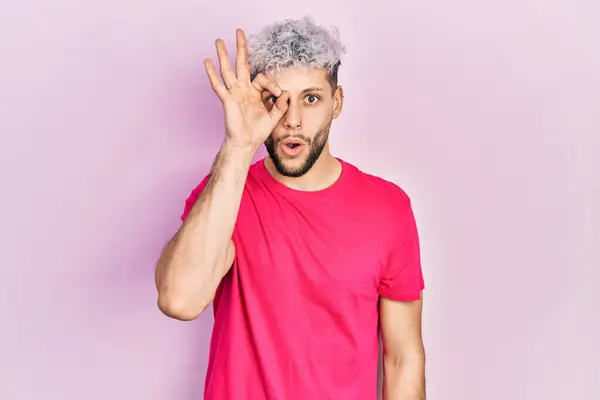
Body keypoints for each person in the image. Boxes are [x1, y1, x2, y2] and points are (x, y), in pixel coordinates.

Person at [155, 16, 426, 400]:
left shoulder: (388, 208)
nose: (292, 120)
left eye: (310, 98)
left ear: (337, 103)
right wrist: (238, 146)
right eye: (276, 100)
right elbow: (178, 300)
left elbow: (403, 358)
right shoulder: (225, 193)